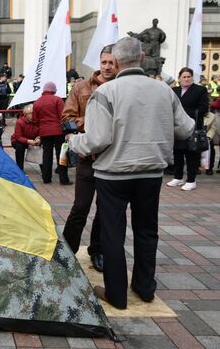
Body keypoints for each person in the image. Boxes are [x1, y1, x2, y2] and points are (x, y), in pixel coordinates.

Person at [67, 37, 195, 310]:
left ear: (117, 60)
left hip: (114, 174)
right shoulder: (163, 90)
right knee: (147, 230)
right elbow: (185, 129)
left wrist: (73, 142)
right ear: (142, 58)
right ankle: (145, 287)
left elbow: (96, 140)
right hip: (151, 173)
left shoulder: (107, 92)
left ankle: (117, 294)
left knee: (113, 232)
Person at [61, 44, 117, 272]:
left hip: (114, 158)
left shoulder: (122, 88)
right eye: (104, 62)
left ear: (119, 64)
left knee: (105, 210)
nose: (107, 67)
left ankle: (97, 250)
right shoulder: (82, 87)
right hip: (88, 157)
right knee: (80, 206)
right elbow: (67, 119)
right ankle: (66, 250)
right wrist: (91, 120)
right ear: (99, 62)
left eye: (112, 63)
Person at [166, 67, 210, 191]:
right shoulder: (174, 90)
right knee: (178, 152)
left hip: (192, 127)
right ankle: (178, 177)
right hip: (178, 127)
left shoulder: (200, 90)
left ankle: (191, 180)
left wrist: (183, 114)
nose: (186, 79)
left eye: (188, 76)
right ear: (179, 78)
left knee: (191, 154)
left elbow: (203, 108)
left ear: (192, 77)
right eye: (184, 77)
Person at [33, 81, 71, 185]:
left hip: (44, 132)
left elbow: (35, 120)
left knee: (47, 155)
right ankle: (63, 179)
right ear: (53, 90)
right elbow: (63, 116)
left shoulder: (37, 102)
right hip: (58, 131)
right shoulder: (58, 100)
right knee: (62, 155)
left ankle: (46, 178)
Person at [10, 104, 40, 171]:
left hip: (33, 139)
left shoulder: (38, 121)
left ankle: (45, 171)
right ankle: (20, 169)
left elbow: (41, 132)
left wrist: (39, 138)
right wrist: (28, 141)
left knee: (42, 145)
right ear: (26, 114)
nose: (34, 115)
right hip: (18, 140)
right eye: (32, 113)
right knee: (19, 147)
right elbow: (18, 137)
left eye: (35, 113)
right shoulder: (20, 122)